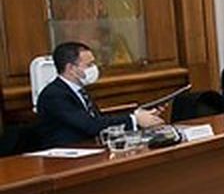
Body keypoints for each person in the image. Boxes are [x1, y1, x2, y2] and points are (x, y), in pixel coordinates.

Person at [34, 41, 162, 149]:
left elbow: (98, 120)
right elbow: (90, 125)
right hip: (64, 158)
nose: (94, 68)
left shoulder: (80, 91)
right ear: (71, 68)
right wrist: (134, 119)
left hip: (88, 150)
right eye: (89, 65)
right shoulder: (54, 95)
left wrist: (139, 114)